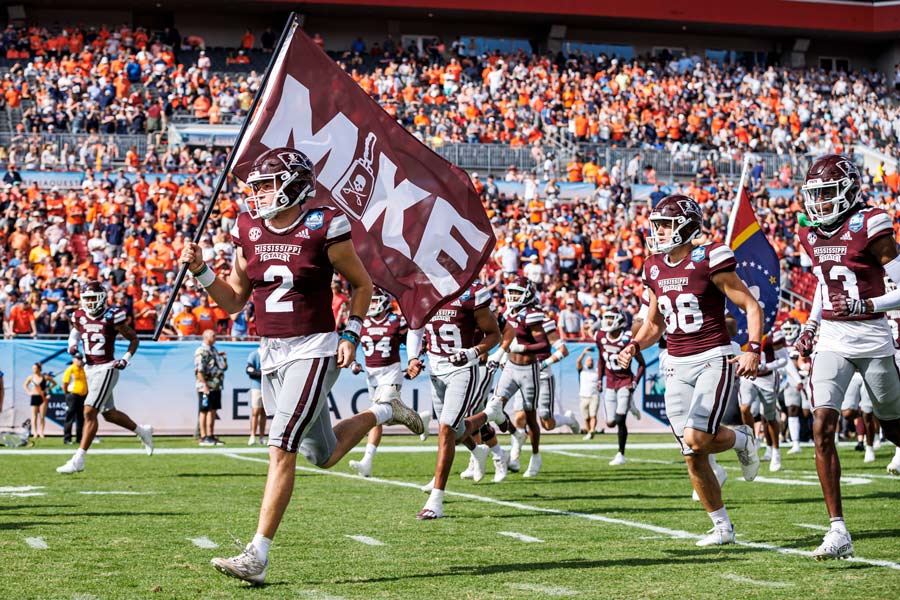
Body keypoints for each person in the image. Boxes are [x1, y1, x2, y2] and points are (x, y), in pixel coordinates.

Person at [179, 147, 422, 584]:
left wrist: (352, 332)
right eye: (256, 187)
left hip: (313, 348)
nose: (259, 194)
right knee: (322, 455)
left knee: (280, 447)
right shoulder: (248, 226)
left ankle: (257, 554)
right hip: (271, 349)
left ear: (293, 185)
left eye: (267, 185)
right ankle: (385, 410)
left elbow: (361, 284)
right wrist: (200, 272)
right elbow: (234, 300)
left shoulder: (324, 224)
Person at [617, 194, 763, 547]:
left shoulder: (709, 257)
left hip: (713, 356)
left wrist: (753, 347)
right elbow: (654, 323)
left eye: (665, 224)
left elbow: (750, 305)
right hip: (675, 362)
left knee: (698, 439)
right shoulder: (653, 266)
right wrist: (635, 344)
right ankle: (722, 528)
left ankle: (744, 439)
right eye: (657, 225)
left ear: (686, 225)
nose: (659, 232)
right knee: (690, 450)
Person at [795, 154, 900, 559]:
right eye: (815, 196)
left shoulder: (871, 224)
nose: (819, 204)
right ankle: (837, 529)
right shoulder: (811, 232)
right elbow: (825, 284)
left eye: (827, 194)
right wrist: (810, 324)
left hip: (872, 337)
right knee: (822, 424)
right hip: (833, 339)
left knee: (893, 425)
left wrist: (868, 305)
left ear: (849, 190)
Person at [407, 280, 501, 519]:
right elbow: (416, 328)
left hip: (462, 369)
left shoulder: (471, 292)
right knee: (454, 429)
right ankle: (487, 423)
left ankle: (435, 500)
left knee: (447, 429)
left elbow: (494, 334)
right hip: (435, 370)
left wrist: (472, 352)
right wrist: (412, 358)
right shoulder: (423, 288)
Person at [57, 281, 154, 474]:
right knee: (109, 414)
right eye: (87, 299)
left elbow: (134, 338)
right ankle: (142, 431)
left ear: (102, 298)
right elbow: (76, 330)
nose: (90, 303)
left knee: (88, 411)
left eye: (94, 298)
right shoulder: (79, 315)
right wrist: (72, 343)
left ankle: (79, 459)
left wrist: (125, 359)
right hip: (89, 368)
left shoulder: (112, 316)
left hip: (107, 368)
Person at [348, 287, 427, 478]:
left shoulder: (396, 321)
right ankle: (420, 420)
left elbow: (417, 340)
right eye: (371, 301)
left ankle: (366, 461)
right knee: (381, 417)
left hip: (391, 373)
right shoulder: (363, 323)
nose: (372, 304)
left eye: (376, 301)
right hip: (371, 375)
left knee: (378, 414)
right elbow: (350, 346)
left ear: (384, 302)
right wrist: (353, 363)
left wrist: (415, 358)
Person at [596, 308, 645, 465]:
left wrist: (635, 382)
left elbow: (642, 364)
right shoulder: (600, 336)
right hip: (610, 382)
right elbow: (601, 359)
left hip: (625, 381)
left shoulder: (627, 339)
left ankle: (620, 454)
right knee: (610, 422)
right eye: (607, 317)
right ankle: (632, 405)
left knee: (619, 419)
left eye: (612, 318)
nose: (608, 321)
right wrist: (599, 379)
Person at [195, 328, 227, 446]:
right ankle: (204, 436)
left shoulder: (213, 350)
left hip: (216, 385)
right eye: (213, 335)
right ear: (206, 337)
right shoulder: (201, 351)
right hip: (206, 386)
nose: (215, 337)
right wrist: (204, 386)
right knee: (204, 410)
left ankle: (211, 434)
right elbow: (199, 371)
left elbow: (222, 367)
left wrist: (224, 359)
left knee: (213, 410)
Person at [62, 353, 88, 445]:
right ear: (73, 359)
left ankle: (79, 439)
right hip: (73, 395)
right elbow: (65, 383)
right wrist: (67, 394)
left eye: (80, 358)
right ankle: (67, 439)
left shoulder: (84, 369)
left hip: (82, 396)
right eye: (77, 358)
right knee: (70, 417)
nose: (79, 360)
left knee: (80, 418)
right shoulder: (70, 369)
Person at [576, 348, 600, 440]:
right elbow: (578, 361)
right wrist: (583, 353)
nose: (590, 362)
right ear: (585, 362)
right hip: (583, 396)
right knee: (586, 417)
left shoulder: (597, 370)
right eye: (588, 360)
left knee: (593, 415)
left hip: (594, 395)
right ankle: (589, 432)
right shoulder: (582, 369)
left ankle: (592, 430)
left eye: (591, 360)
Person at [246, 348, 265, 445]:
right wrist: (262, 373)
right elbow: (249, 370)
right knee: (255, 412)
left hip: (267, 387)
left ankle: (262, 437)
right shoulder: (254, 354)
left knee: (264, 413)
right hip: (256, 386)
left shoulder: (270, 353)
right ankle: (252, 435)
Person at [23, 363, 48, 438]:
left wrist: (47, 389)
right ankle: (35, 432)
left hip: (42, 397)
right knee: (34, 416)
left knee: (42, 416)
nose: (33, 370)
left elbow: (54, 383)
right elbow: (25, 385)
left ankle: (41, 432)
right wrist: (29, 392)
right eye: (33, 368)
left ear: (39, 368)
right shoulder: (31, 377)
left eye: (35, 368)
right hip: (34, 397)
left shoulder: (44, 377)